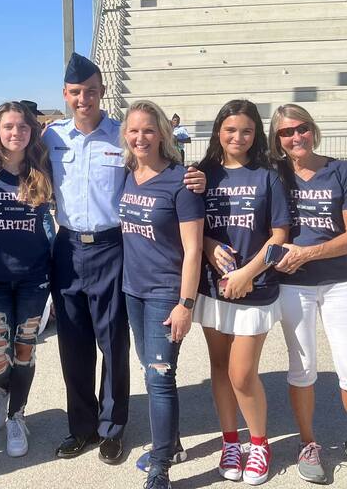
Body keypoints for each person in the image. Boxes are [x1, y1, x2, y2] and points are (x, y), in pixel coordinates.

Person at [41, 53, 206, 463]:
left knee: (112, 343)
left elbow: (159, 168)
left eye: (92, 91)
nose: (84, 99)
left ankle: (112, 428)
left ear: (102, 92)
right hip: (67, 247)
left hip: (113, 247)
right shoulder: (52, 137)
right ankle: (81, 427)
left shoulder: (122, 136)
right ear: (66, 94)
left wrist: (197, 174)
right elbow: (13, 157)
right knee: (73, 344)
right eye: (76, 92)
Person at [268, 104, 347, 485]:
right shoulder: (275, 175)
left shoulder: (339, 170)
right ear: (278, 140)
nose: (295, 137)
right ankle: (309, 443)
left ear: (313, 129)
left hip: (339, 280)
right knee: (302, 369)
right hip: (294, 285)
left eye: (301, 128)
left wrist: (308, 252)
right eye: (286, 132)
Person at [193, 99, 290, 485]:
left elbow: (280, 236)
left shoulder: (268, 176)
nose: (238, 137)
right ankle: (230, 441)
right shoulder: (202, 174)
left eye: (246, 131)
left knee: (242, 373)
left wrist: (249, 272)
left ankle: (260, 443)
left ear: (256, 135)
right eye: (231, 129)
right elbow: (189, 225)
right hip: (213, 288)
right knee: (219, 368)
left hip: (256, 286)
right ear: (219, 130)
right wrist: (208, 246)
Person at [118, 100, 205, 488]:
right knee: (151, 370)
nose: (141, 137)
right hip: (131, 290)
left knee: (159, 376)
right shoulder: (125, 173)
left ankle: (161, 467)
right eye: (134, 130)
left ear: (162, 135)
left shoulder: (181, 181)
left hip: (165, 293)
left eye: (148, 130)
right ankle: (171, 441)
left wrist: (186, 304)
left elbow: (194, 250)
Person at [0, 101, 53, 457]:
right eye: (8, 127)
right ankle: (1, 391)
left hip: (34, 276)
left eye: (22, 126)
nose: (16, 133)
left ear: (31, 130)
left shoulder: (44, 167)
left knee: (24, 349)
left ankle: (17, 414)